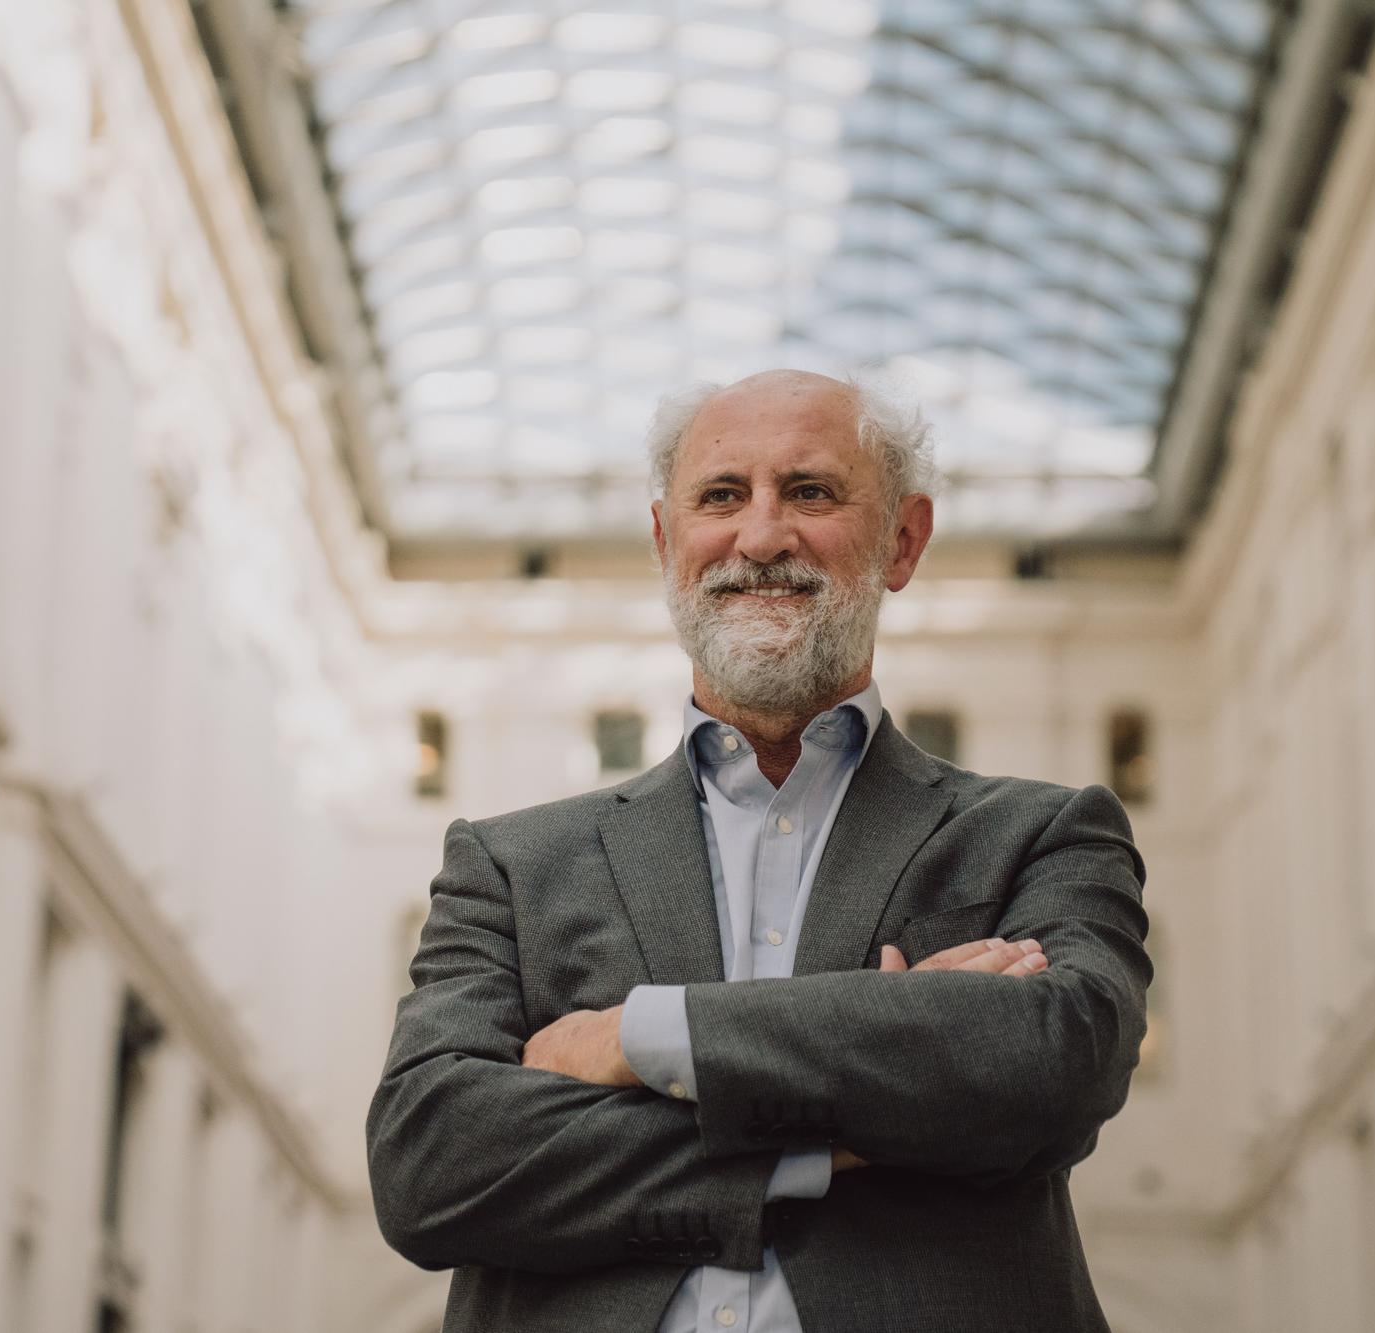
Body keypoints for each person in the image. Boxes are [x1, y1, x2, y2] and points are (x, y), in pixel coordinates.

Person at [365, 369, 1152, 1332]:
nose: (762, 536)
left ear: (902, 541)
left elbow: (1056, 1065)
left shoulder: (1043, 834)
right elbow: (431, 1166)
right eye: (722, 496)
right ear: (666, 541)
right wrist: (872, 1077)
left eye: (811, 492)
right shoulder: (509, 866)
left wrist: (638, 1038)